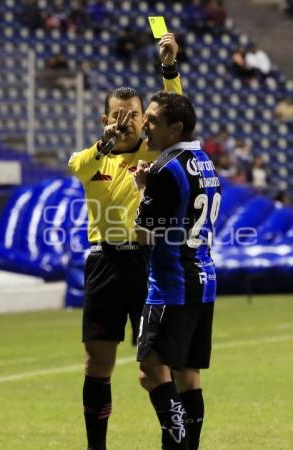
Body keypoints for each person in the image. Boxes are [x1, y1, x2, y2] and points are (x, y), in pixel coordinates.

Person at [68, 33, 182, 450]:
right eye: (118, 115)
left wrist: (169, 69)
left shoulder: (158, 154)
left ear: (145, 119)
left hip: (148, 263)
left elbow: (178, 112)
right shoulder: (91, 158)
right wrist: (106, 143)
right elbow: (77, 166)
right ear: (104, 121)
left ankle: (174, 442)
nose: (126, 121)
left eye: (133, 115)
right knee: (98, 363)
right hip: (104, 264)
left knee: (154, 366)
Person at [134, 91, 221, 449]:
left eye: (153, 121)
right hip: (204, 281)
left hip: (171, 284)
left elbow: (142, 236)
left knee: (151, 371)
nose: (145, 126)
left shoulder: (166, 170)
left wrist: (142, 189)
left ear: (176, 129)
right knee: (187, 374)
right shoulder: (206, 161)